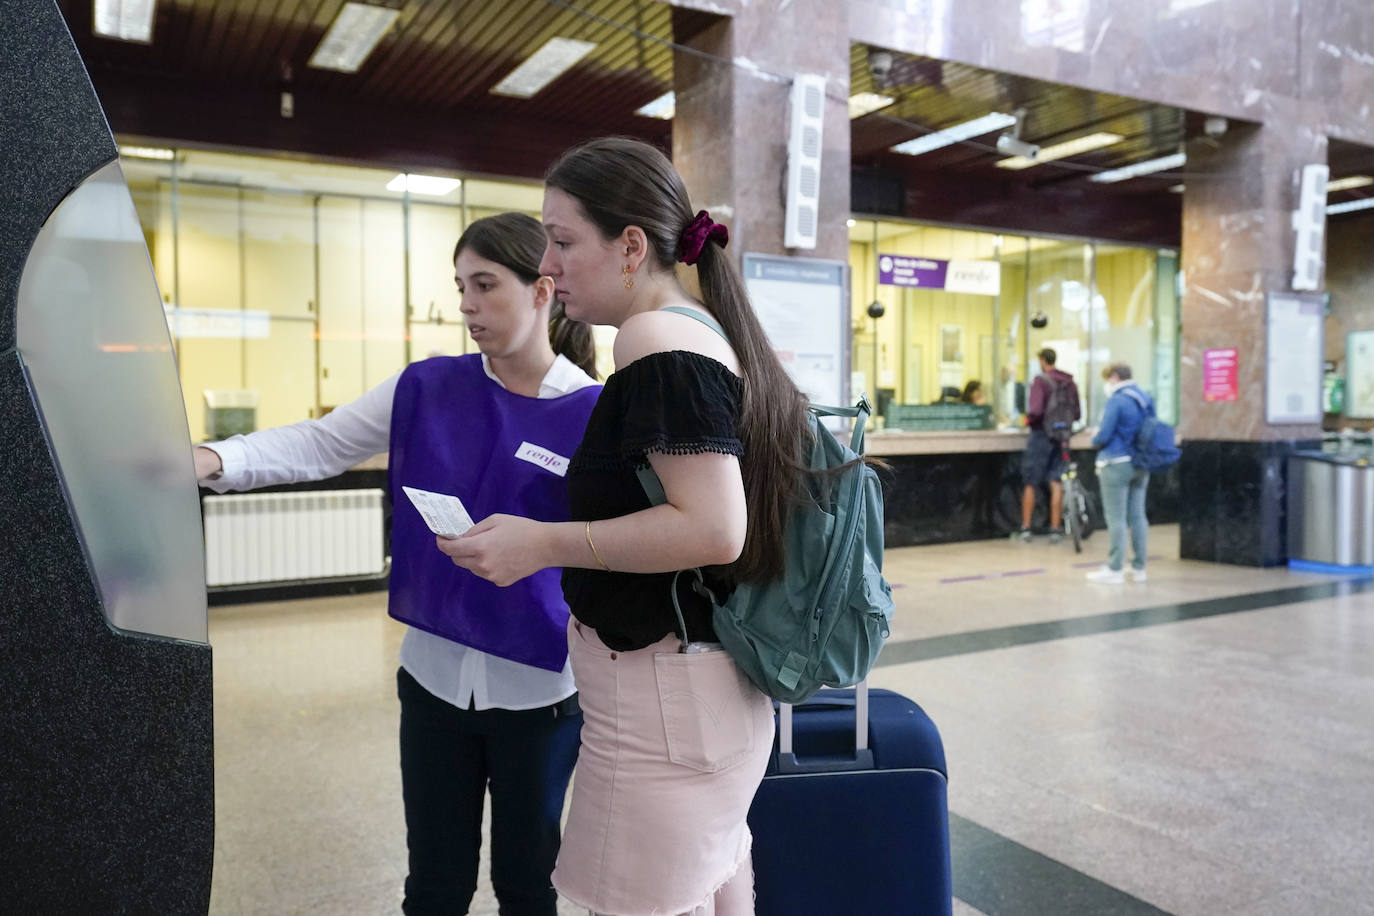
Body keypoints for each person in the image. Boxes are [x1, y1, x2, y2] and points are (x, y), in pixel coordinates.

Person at [193, 212, 601, 916]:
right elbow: (320, 445)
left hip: (542, 695)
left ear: (542, 291)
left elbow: (624, 540)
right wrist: (213, 459)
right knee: (434, 886)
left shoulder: (594, 410)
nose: (467, 305)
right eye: (460, 286)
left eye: (485, 285)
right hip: (433, 683)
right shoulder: (426, 388)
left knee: (529, 885)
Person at [438, 137, 804, 916]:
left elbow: (713, 529)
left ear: (631, 246)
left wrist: (542, 542)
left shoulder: (655, 338)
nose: (550, 266)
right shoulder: (701, 328)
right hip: (695, 702)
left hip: (663, 712)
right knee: (715, 892)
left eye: (565, 242)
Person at [1087, 363, 1151, 583]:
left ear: (1114, 377)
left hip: (1116, 463)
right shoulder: (1145, 398)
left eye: (1107, 379)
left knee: (1116, 518)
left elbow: (1104, 435)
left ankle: (1115, 569)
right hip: (1142, 463)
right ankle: (1139, 568)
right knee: (1138, 516)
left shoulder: (1117, 400)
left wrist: (1094, 438)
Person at [1017, 347, 1080, 543]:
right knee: (1056, 482)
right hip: (1061, 436)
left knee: (1030, 482)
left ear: (1043, 360)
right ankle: (1055, 529)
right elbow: (1077, 413)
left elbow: (1035, 411)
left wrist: (1027, 421)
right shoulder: (1069, 382)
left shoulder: (1040, 381)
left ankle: (1026, 528)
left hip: (1041, 436)